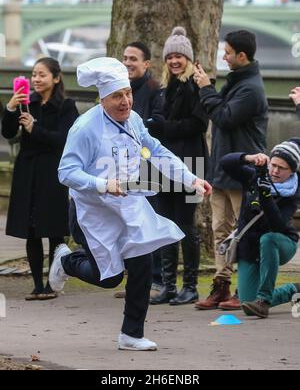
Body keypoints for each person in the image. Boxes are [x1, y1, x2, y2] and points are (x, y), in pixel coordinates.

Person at [49, 57, 212, 351]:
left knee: (142, 264)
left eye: (128, 93)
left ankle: (131, 334)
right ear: (103, 98)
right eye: (117, 96)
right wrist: (103, 185)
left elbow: (157, 151)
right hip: (91, 212)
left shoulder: (135, 120)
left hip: (130, 207)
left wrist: (191, 179)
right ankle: (65, 260)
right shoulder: (84, 128)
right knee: (108, 278)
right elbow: (66, 172)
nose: (125, 102)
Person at [193, 30, 269, 311]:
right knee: (220, 230)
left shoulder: (251, 89)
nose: (223, 57)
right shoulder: (237, 82)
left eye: (227, 52)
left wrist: (205, 88)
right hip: (223, 169)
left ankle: (245, 288)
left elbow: (224, 117)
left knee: (245, 230)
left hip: (243, 172)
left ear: (242, 56)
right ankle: (221, 285)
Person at [1, 57, 79, 301]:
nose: (36, 79)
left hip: (53, 171)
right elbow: (7, 132)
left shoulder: (66, 106)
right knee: (31, 229)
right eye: (33, 74)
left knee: (54, 228)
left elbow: (65, 140)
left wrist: (36, 129)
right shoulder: (27, 103)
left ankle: (53, 283)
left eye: (42, 74)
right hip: (27, 170)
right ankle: (37, 284)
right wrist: (11, 108)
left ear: (56, 78)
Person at [148, 27, 210, 306]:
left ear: (188, 59)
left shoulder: (196, 85)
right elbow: (157, 120)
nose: (174, 61)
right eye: (170, 56)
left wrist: (166, 127)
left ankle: (191, 286)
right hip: (163, 164)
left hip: (191, 162)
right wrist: (161, 126)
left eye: (179, 56)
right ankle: (169, 285)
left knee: (187, 225)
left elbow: (198, 124)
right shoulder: (163, 88)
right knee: (166, 224)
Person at [220, 140, 300, 318]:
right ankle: (295, 290)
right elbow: (225, 163)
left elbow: (277, 225)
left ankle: (264, 301)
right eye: (274, 165)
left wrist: (265, 196)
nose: (275, 171)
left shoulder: (294, 193)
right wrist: (248, 157)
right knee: (247, 301)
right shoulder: (253, 177)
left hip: (282, 243)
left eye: (282, 168)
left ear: (292, 171)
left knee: (269, 238)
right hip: (250, 245)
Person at [122, 41, 164, 296]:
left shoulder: (155, 89)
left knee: (149, 222)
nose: (128, 62)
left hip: (148, 167)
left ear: (146, 64)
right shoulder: (119, 88)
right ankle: (134, 279)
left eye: (133, 59)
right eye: (125, 58)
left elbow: (158, 124)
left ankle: (155, 280)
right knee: (129, 224)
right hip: (123, 167)